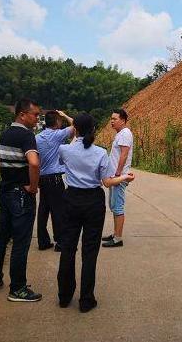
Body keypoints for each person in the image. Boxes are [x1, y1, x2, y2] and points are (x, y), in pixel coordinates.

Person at [57, 113, 134, 313]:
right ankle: (86, 299)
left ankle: (64, 296)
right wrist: (125, 177)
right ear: (93, 130)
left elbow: (68, 155)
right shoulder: (100, 153)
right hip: (93, 202)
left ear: (75, 130)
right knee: (90, 252)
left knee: (68, 248)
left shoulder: (64, 149)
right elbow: (107, 182)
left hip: (71, 199)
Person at [0, 98, 42, 302]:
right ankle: (17, 288)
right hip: (21, 195)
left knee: (1, 237)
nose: (37, 119)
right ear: (22, 115)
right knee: (21, 241)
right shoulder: (26, 135)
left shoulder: (6, 133)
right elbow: (34, 163)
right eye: (35, 115)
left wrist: (5, 173)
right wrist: (33, 187)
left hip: (6, 191)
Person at [35, 110, 74, 251]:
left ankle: (43, 241)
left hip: (42, 178)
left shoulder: (37, 137)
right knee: (59, 211)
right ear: (57, 122)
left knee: (43, 210)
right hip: (55, 179)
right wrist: (65, 115)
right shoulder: (58, 135)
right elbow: (76, 125)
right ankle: (61, 242)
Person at [102, 108, 133, 248]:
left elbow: (124, 155)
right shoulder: (121, 134)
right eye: (111, 118)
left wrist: (118, 174)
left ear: (123, 120)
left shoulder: (125, 134)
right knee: (114, 205)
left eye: (115, 119)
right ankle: (115, 234)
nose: (112, 121)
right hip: (115, 176)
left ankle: (118, 238)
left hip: (118, 177)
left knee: (118, 206)